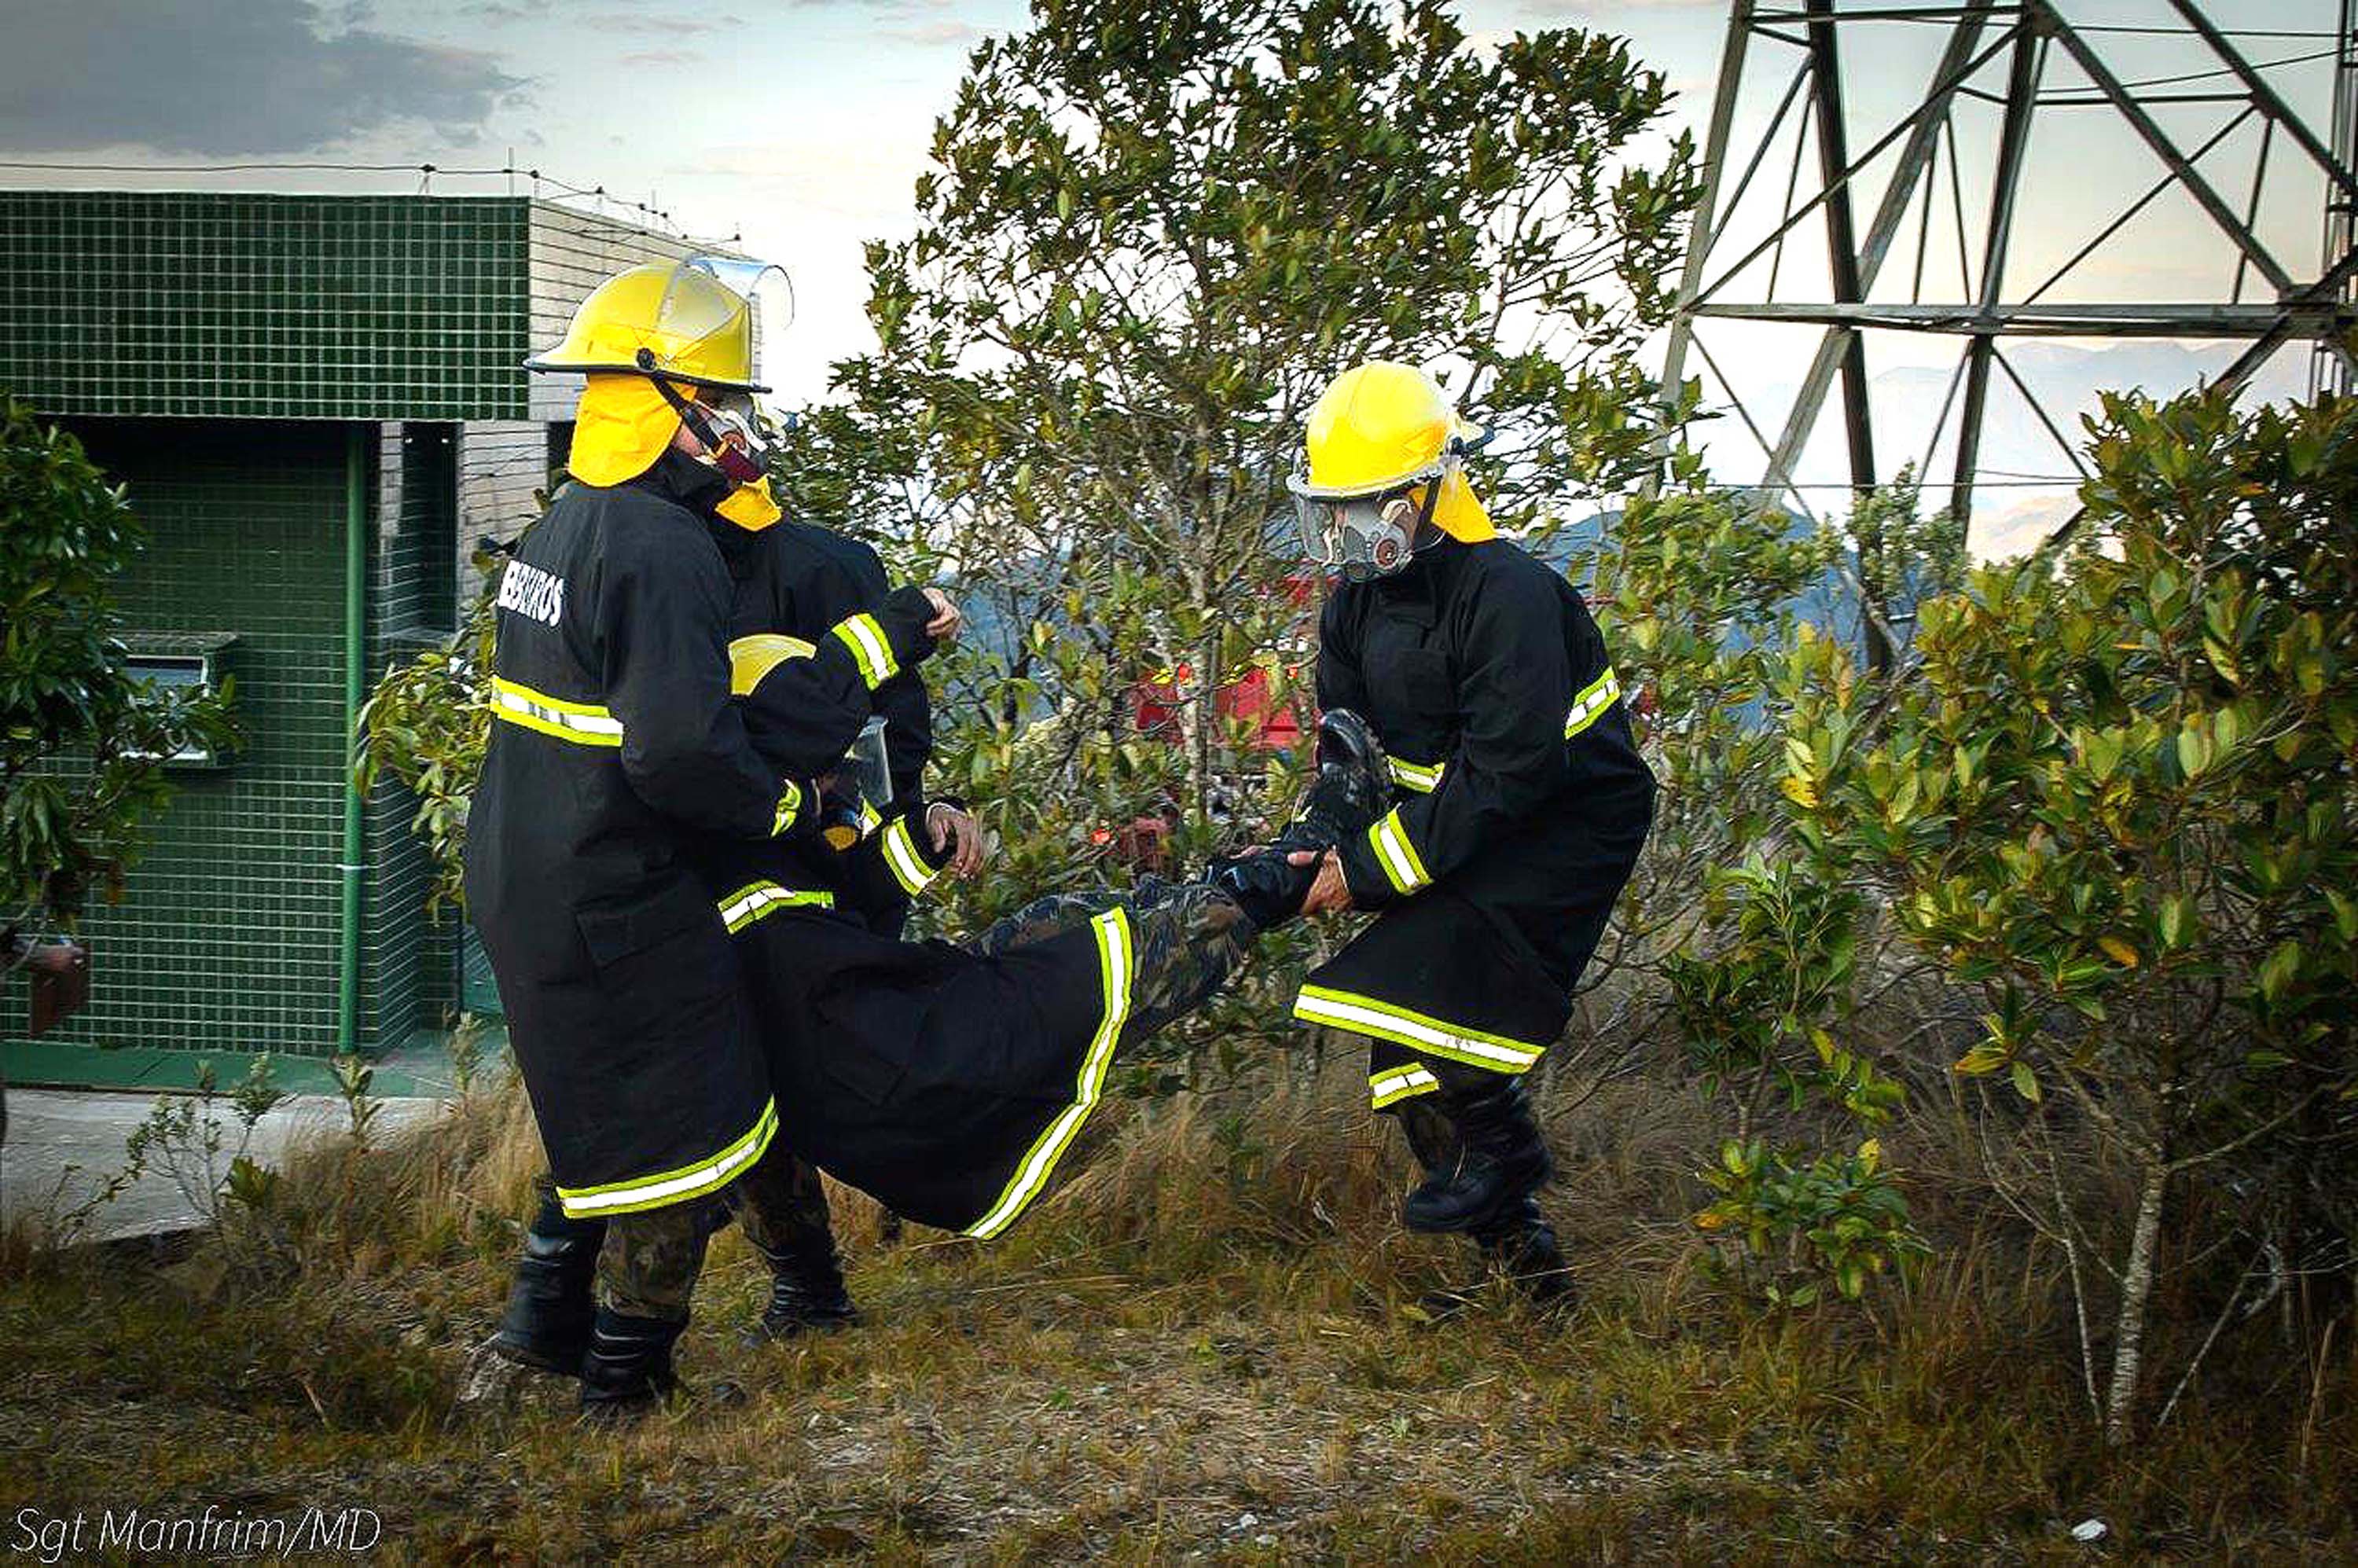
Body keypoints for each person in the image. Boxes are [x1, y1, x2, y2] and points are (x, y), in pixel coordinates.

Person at [465, 256, 959, 1419]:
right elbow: (682, 754)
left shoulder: (560, 530)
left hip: (528, 873)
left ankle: (544, 1341)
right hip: (615, 887)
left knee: (605, 1112)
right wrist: (793, 808)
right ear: (668, 404)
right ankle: (620, 1390)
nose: (738, 428)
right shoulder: (665, 546)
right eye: (724, 403)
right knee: (692, 1127)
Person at [1279, 361, 1655, 1308]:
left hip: (1562, 830)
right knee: (1402, 1044)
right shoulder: (1353, 604)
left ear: (1433, 488)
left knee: (1402, 992)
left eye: (1368, 505)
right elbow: (1348, 747)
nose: (1348, 531)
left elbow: (1510, 778)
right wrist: (1318, 839)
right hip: (1462, 830)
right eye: (1335, 508)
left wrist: (1363, 872)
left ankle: (1509, 1155)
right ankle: (1532, 1284)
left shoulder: (1513, 594)